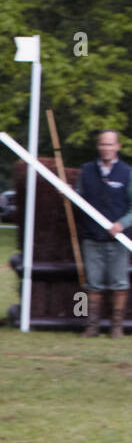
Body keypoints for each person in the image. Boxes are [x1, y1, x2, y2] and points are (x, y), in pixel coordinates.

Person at [76, 129, 131, 338]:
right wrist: (67, 194)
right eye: (103, 144)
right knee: (93, 283)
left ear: (118, 147)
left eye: (110, 145)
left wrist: (122, 224)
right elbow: (78, 199)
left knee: (119, 283)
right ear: (98, 146)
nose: (106, 148)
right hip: (91, 237)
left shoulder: (127, 172)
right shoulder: (86, 171)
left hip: (119, 239)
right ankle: (92, 326)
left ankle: (116, 327)